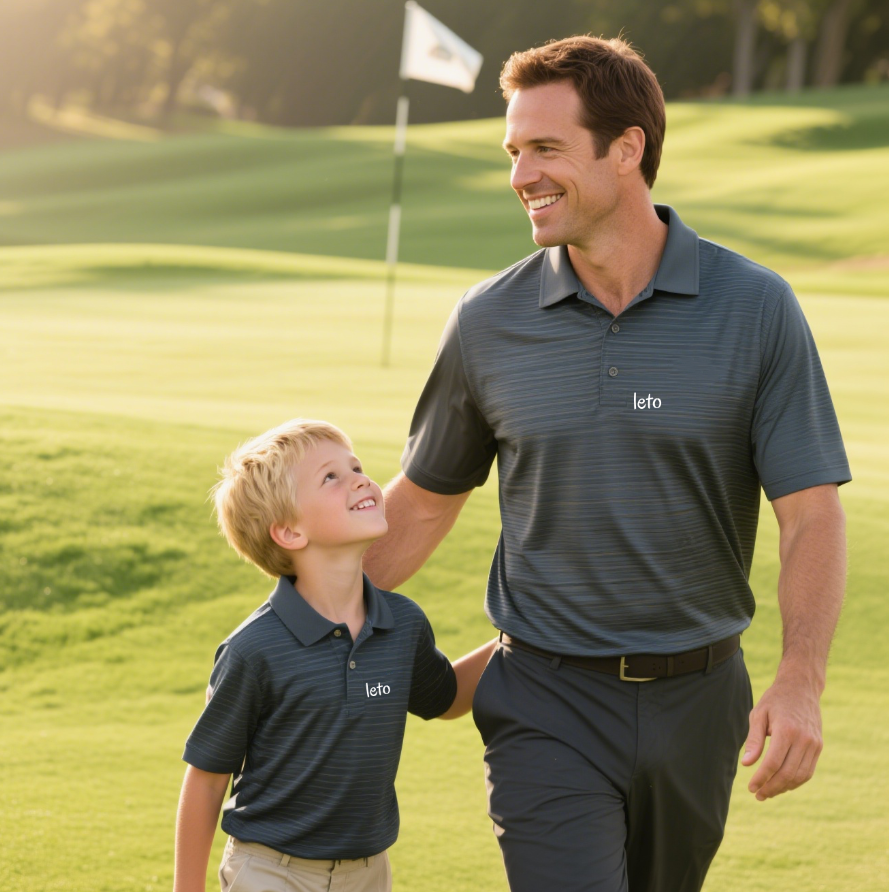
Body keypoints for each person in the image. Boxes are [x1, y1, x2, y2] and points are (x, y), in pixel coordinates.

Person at [363, 35, 850, 892]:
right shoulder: (486, 322)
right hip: (543, 698)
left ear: (626, 149)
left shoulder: (756, 308)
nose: (521, 175)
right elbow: (425, 501)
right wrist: (300, 610)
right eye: (514, 152)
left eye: (545, 148)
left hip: (701, 703)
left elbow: (810, 511)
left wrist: (800, 680)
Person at [173, 418, 496, 892]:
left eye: (356, 466)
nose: (360, 479)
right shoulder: (254, 649)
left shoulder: (402, 624)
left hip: (368, 873)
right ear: (289, 532)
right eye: (331, 477)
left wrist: (519, 636)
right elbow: (206, 779)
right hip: (270, 872)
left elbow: (446, 699)